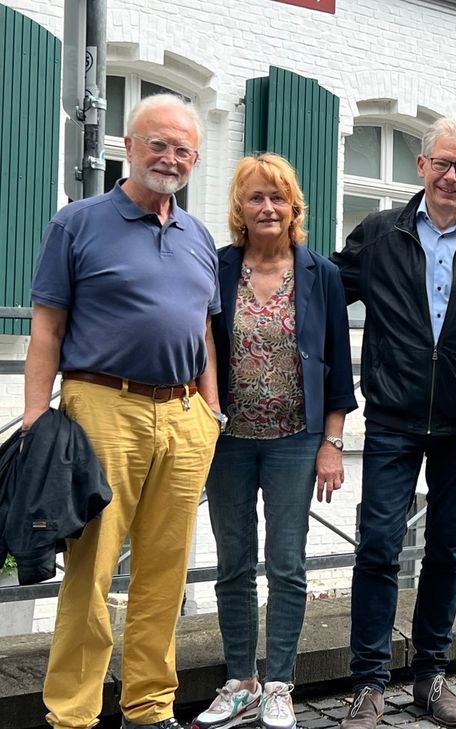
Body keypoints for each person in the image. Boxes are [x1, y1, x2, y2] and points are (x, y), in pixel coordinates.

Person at [23, 94, 222, 729]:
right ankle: (73, 715)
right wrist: (36, 423)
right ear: (128, 146)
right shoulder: (77, 223)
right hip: (102, 409)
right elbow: (47, 329)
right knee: (91, 571)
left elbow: (205, 329)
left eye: (182, 149)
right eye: (157, 144)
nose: (169, 158)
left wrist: (211, 410)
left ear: (195, 159)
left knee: (164, 574)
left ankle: (149, 707)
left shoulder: (199, 235)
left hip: (184, 416)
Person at [332, 116, 456, 729]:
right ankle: (368, 684)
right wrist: (254, 270)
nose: (450, 176)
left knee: (446, 551)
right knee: (378, 548)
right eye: (441, 163)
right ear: (421, 166)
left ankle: (431, 676)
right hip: (394, 416)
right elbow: (323, 291)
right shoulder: (379, 234)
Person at [190, 153, 357, 729]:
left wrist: (332, 442)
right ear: (239, 208)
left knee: (287, 564)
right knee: (232, 563)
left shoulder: (320, 274)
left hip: (295, 441)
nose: (267, 207)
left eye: (277, 197)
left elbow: (338, 363)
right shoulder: (217, 268)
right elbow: (198, 345)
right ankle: (240, 681)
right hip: (228, 441)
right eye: (255, 197)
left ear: (294, 208)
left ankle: (280, 684)